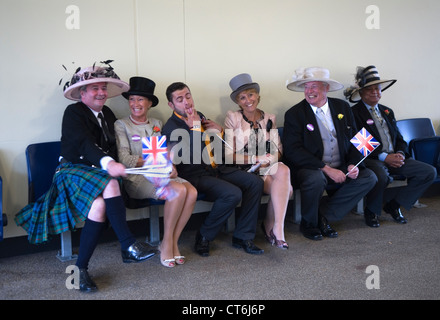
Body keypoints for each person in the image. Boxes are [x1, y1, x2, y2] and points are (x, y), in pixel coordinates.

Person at [15, 63, 156, 292]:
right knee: (110, 182)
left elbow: (112, 147)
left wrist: (129, 162)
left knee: (99, 206)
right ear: (82, 93)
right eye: (94, 88)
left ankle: (80, 269)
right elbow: (84, 143)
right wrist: (109, 164)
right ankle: (128, 246)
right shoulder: (73, 112)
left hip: (98, 174)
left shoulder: (108, 114)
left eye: (103, 87)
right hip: (71, 172)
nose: (101, 92)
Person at [162, 82, 264, 256]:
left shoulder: (199, 116)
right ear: (171, 105)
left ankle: (243, 236)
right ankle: (204, 236)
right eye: (180, 99)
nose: (187, 102)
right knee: (232, 194)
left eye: (188, 96)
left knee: (254, 182)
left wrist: (220, 131)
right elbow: (190, 157)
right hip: (194, 174)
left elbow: (214, 147)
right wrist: (194, 128)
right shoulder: (171, 126)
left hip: (217, 168)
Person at [283, 67, 377, 240]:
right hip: (311, 167)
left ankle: (324, 217)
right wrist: (325, 168)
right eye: (306, 87)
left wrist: (353, 164)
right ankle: (309, 223)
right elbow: (292, 150)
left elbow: (359, 139)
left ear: (326, 88)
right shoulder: (294, 114)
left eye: (314, 87)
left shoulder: (342, 107)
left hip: (342, 164)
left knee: (369, 177)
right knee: (315, 179)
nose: (309, 92)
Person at [115, 76, 197, 267]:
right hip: (137, 177)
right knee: (177, 191)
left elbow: (166, 153)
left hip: (160, 173)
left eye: (140, 99)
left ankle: (171, 242)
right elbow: (124, 159)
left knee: (191, 192)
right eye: (132, 99)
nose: (135, 104)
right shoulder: (121, 125)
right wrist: (155, 162)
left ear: (150, 103)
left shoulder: (156, 123)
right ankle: (168, 243)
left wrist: (171, 166)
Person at [345, 65, 437, 227]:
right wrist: (384, 157)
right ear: (361, 93)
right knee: (381, 176)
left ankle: (394, 206)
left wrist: (400, 153)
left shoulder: (387, 111)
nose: (375, 92)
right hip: (372, 158)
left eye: (378, 88)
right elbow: (359, 142)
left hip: (395, 157)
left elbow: (399, 139)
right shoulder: (353, 113)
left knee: (428, 172)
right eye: (370, 89)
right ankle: (371, 211)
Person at [224, 73, 292, 249]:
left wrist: (267, 161)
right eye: (242, 97)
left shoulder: (270, 118)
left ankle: (277, 228)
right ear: (238, 102)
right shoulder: (233, 118)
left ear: (258, 96)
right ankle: (270, 226)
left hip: (267, 167)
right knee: (287, 190)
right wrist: (256, 158)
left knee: (283, 170)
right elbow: (228, 155)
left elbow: (278, 150)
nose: (248, 100)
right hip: (245, 168)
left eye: (251, 95)